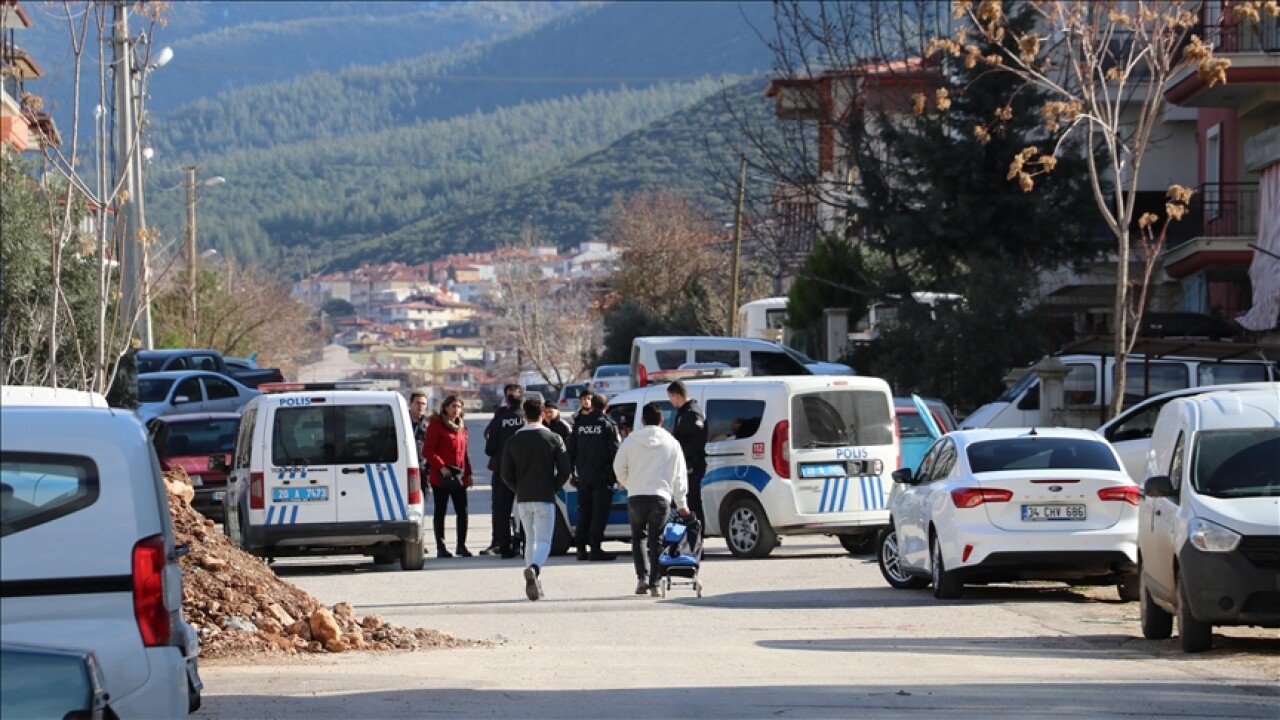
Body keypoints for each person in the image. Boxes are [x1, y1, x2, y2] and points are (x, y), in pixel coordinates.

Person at [613, 402, 689, 597]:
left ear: (642, 420)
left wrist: (629, 483)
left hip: (636, 495)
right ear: (662, 421)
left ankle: (641, 578)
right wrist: (682, 503)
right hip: (661, 496)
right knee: (656, 540)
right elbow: (679, 475)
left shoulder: (630, 441)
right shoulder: (671, 442)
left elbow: (618, 467)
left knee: (638, 537)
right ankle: (655, 584)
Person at [501, 397, 571, 601]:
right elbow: (565, 470)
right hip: (545, 496)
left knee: (529, 540)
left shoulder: (513, 441)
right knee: (544, 541)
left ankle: (534, 582)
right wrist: (553, 487)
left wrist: (518, 488)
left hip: (522, 498)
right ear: (542, 415)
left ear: (524, 416)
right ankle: (535, 569)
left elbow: (505, 473)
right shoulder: (553, 438)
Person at [567, 392, 619, 562]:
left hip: (584, 476)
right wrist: (619, 475)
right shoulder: (608, 425)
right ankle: (595, 548)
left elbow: (571, 451)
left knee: (584, 512)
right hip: (602, 477)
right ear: (606, 407)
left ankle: (581, 549)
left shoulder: (580, 425)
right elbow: (615, 452)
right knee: (599, 513)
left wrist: (571, 473)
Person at [424, 395, 473, 558]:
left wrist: (469, 473)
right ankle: (441, 546)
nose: (456, 410)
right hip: (441, 477)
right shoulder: (436, 425)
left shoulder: (462, 427)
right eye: (453, 406)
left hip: (458, 476)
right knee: (441, 510)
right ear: (445, 408)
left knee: (462, 511)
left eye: (459, 407)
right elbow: (428, 450)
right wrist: (441, 466)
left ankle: (461, 545)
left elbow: (464, 453)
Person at [484, 384, 525, 558]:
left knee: (501, 510)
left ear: (507, 400)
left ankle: (505, 548)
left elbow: (490, 449)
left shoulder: (499, 420)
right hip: (525, 471)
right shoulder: (528, 418)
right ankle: (526, 545)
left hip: (503, 471)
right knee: (527, 509)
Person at [668, 380, 708, 528]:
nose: (670, 402)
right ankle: (689, 542)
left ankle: (697, 541)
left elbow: (697, 442)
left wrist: (680, 455)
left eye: (670, 398)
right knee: (684, 504)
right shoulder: (684, 413)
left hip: (691, 465)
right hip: (685, 465)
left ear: (676, 395)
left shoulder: (692, 413)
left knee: (693, 504)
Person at [408, 391, 432, 557]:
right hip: (406, 469)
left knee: (420, 508)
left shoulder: (428, 426)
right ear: (410, 404)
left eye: (423, 403)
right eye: (418, 403)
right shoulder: (403, 422)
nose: (421, 406)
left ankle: (418, 541)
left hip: (422, 470)